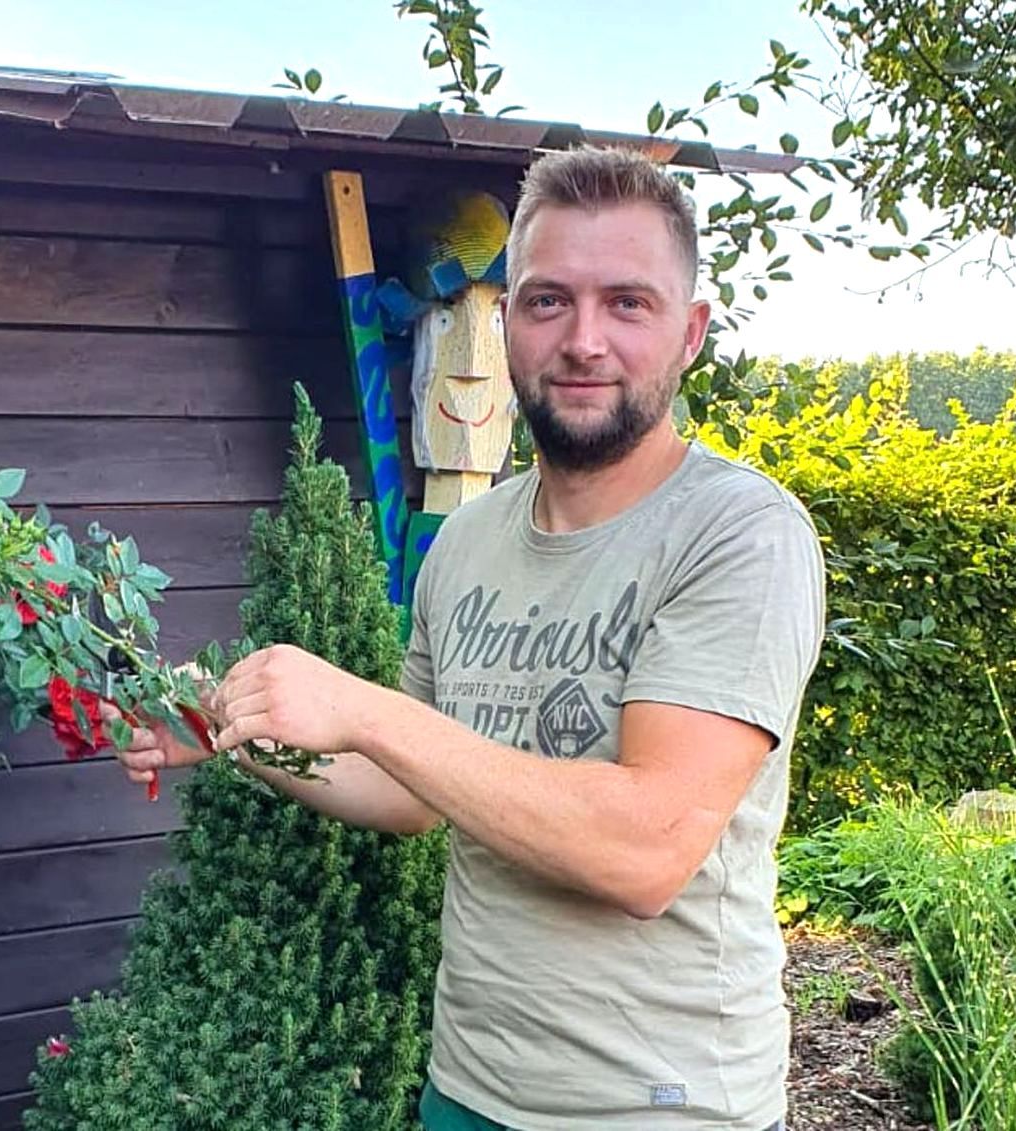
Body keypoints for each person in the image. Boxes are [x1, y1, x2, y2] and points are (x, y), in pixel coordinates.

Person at [116, 145, 825, 1131]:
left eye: (627, 303)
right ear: (508, 321)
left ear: (690, 332)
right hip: (470, 1086)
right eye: (548, 301)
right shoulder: (469, 539)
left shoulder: (739, 534)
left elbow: (644, 850)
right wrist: (231, 727)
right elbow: (411, 791)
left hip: (662, 1105)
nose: (583, 340)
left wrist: (364, 709)